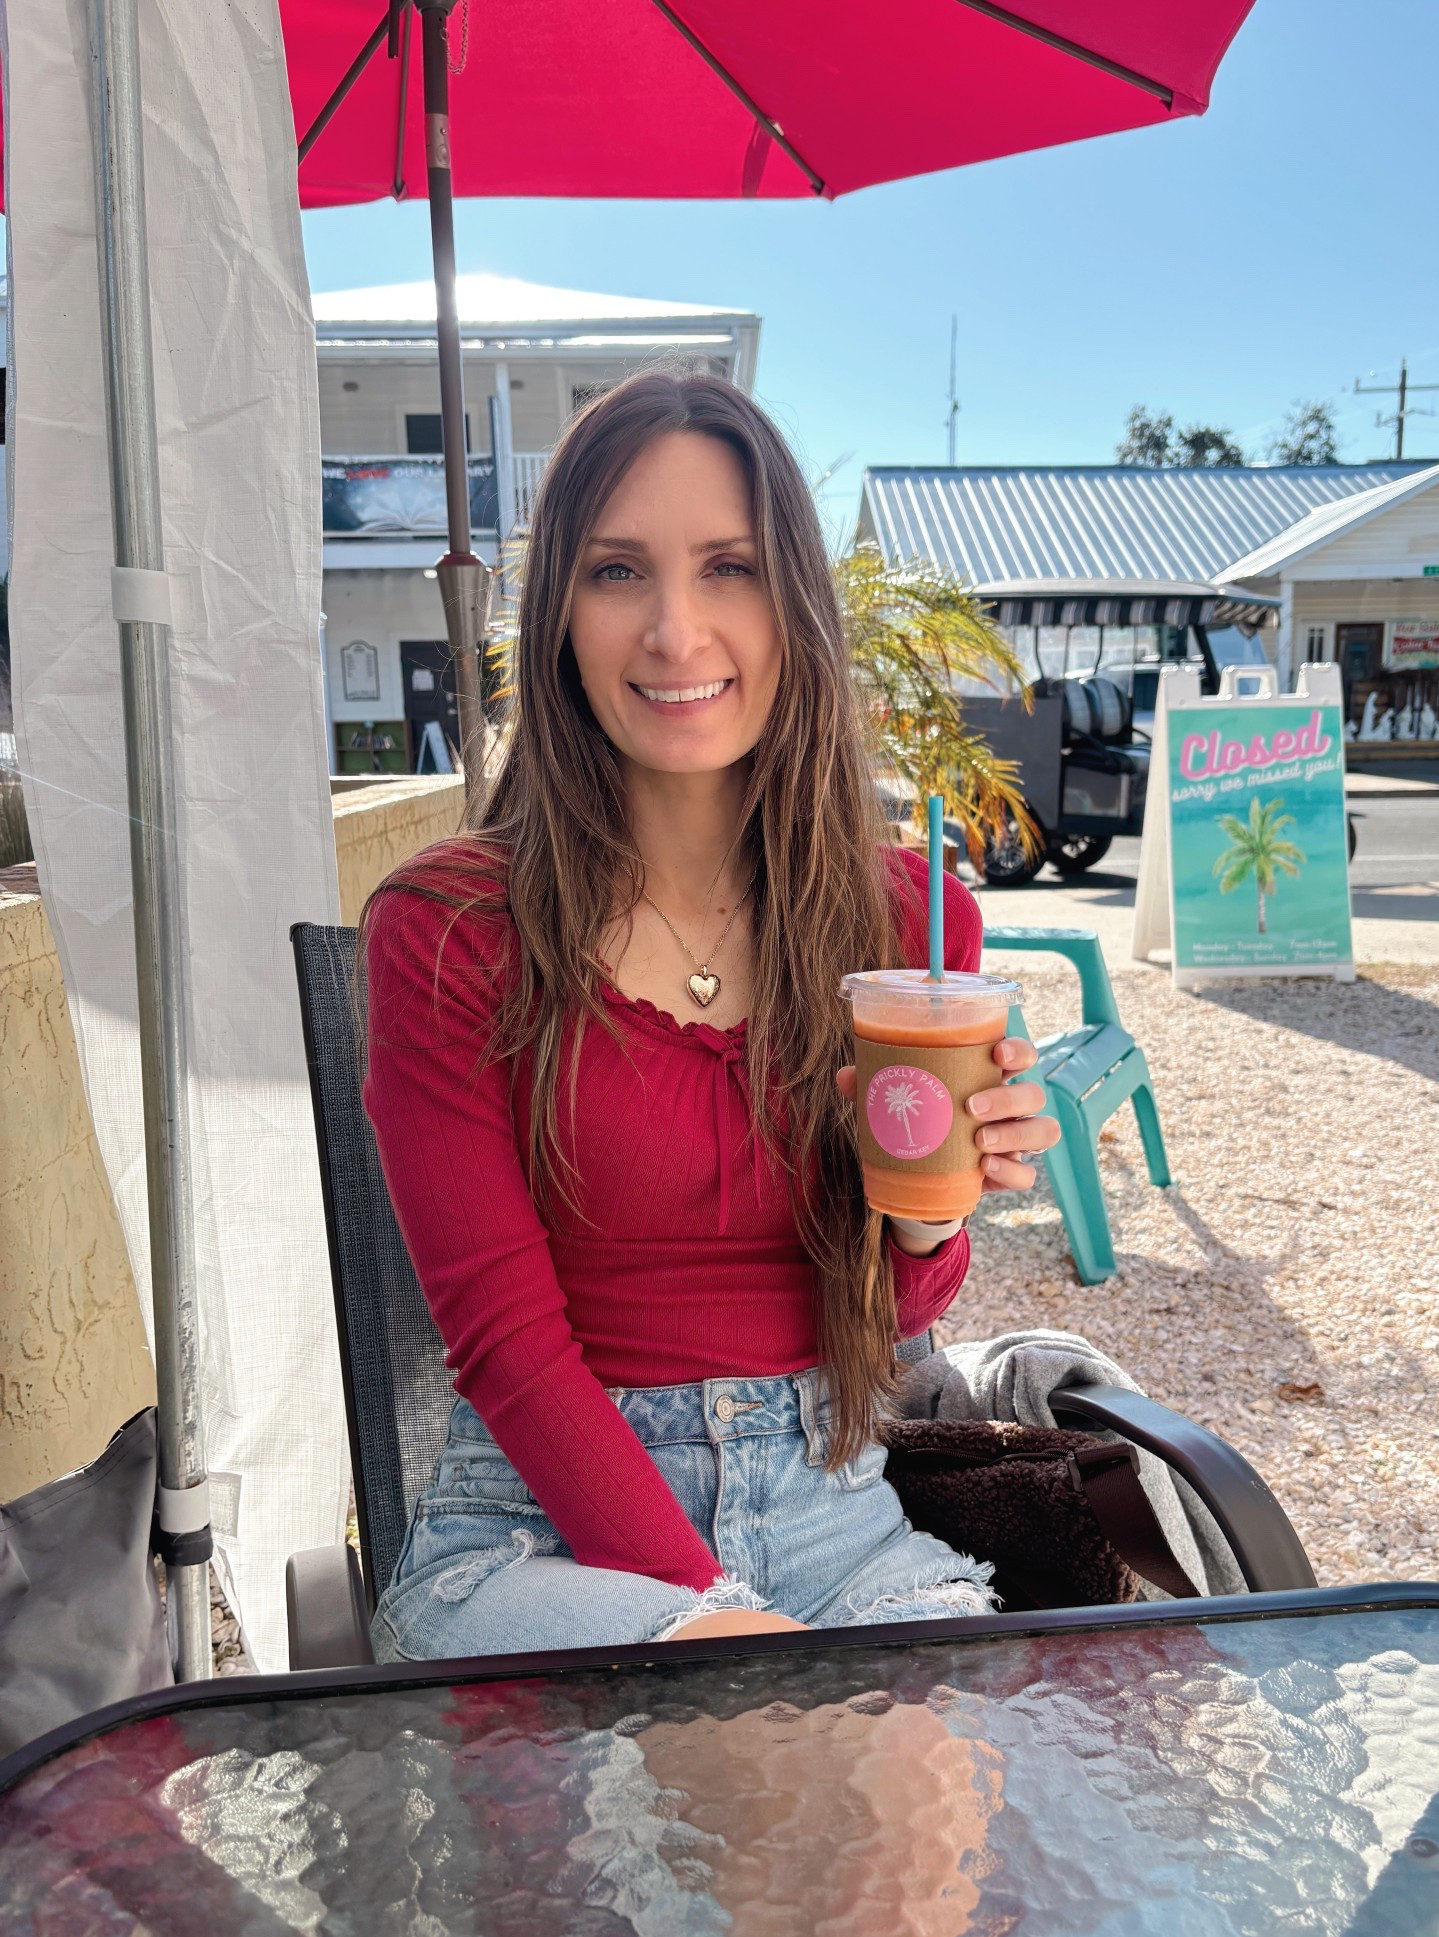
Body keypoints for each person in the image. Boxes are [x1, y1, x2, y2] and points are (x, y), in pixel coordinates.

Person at [361, 372, 1058, 1659]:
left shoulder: (911, 928)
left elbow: (903, 1308)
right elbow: (507, 1347)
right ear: (559, 608)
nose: (677, 632)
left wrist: (938, 1203)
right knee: (777, 1766)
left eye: (727, 566)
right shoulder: (453, 928)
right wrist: (735, 1631)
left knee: (946, 1813)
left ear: (792, 599)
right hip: (540, 1532)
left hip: (835, 1515)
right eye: (619, 571)